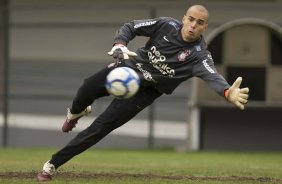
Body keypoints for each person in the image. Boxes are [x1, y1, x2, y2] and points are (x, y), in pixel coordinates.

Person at [37, 4, 249, 181]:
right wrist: (120, 44)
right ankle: (75, 113)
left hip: (146, 92)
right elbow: (131, 26)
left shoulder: (199, 56)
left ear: (205, 27)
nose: (193, 25)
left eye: (199, 23)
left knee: (101, 127)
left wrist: (226, 92)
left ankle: (52, 164)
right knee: (86, 87)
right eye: (191, 19)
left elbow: (212, 75)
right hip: (128, 69)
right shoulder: (166, 25)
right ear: (184, 18)